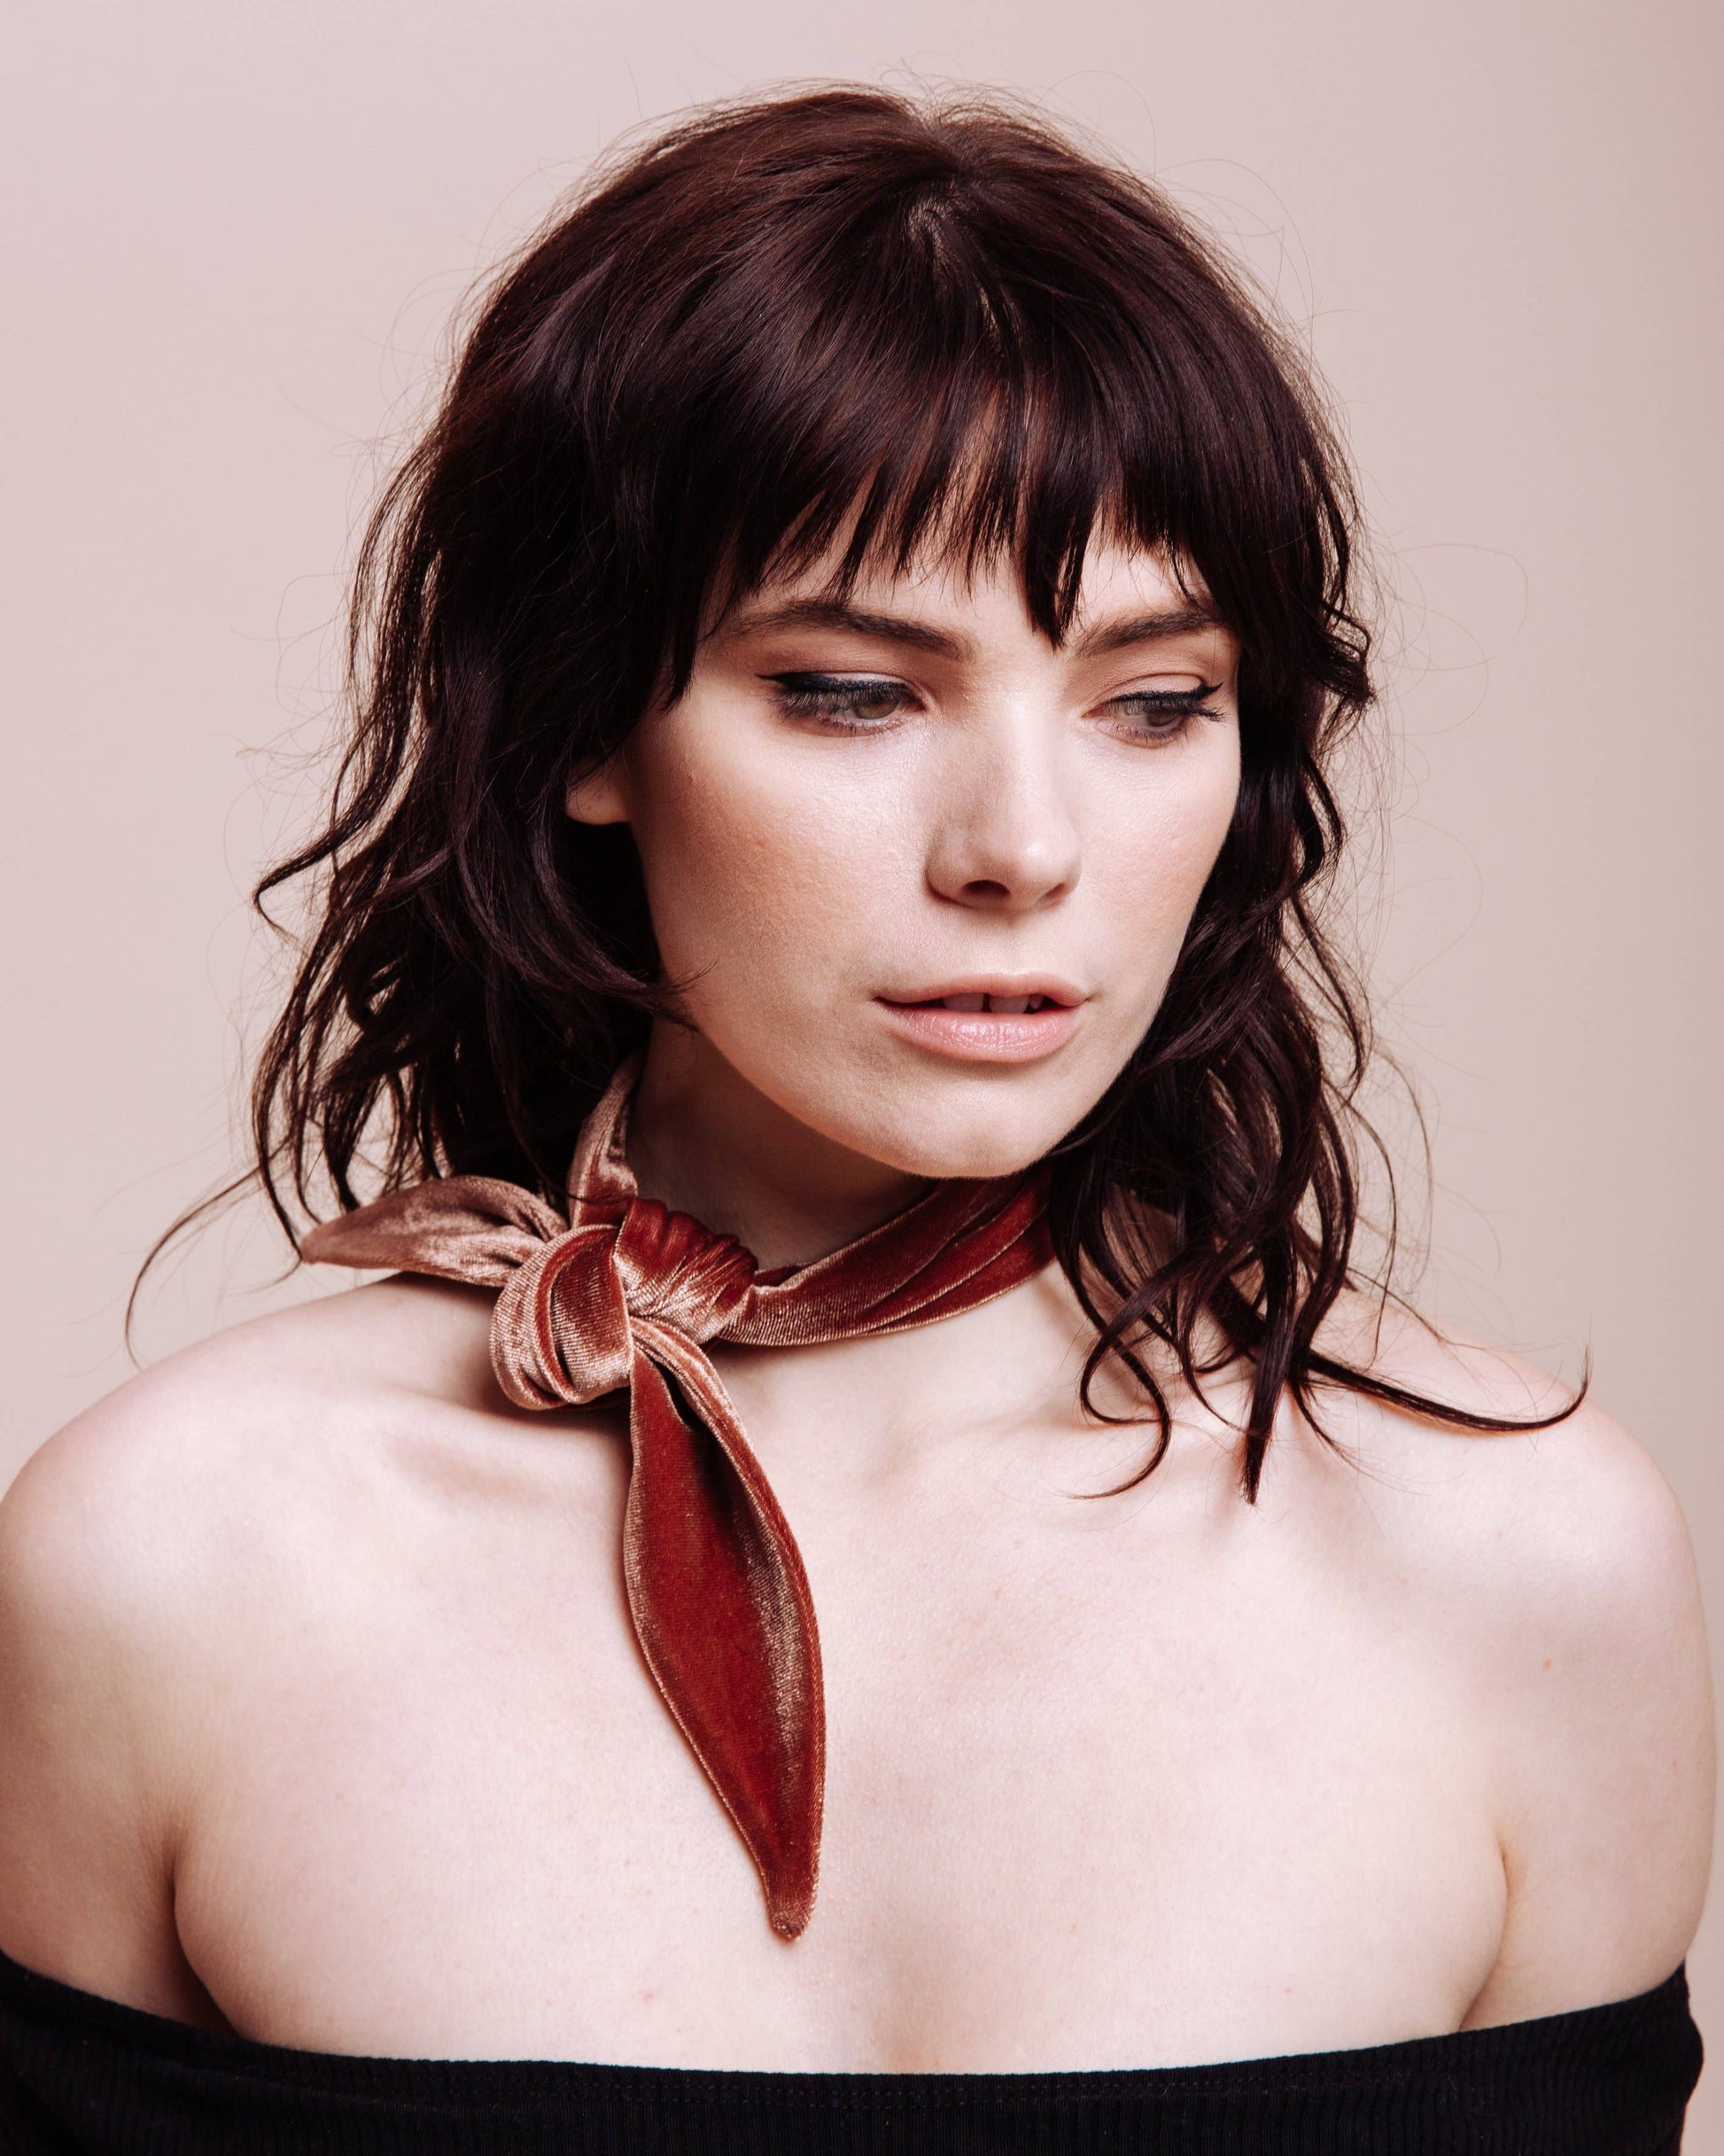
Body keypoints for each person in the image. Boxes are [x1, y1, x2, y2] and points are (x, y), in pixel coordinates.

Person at [0, 85, 1710, 2152]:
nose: (1022, 846)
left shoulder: (1522, 1563)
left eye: (1154, 701)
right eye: (851, 691)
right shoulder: (160, 1566)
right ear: (582, 719)